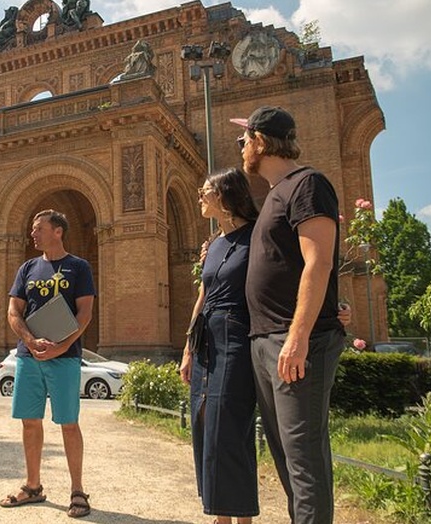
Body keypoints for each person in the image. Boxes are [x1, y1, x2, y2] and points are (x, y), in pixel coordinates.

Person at [233, 106, 345, 524]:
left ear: (261, 141)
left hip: (294, 342)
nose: (241, 146)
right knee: (284, 452)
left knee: (303, 457)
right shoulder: (275, 193)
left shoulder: (307, 184)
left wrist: (298, 336)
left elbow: (319, 263)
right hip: (267, 340)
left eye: (244, 139)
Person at [1, 209, 96, 519]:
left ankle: (78, 491)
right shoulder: (27, 268)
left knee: (68, 423)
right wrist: (29, 340)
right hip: (29, 358)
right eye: (33, 228)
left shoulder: (78, 267)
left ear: (58, 231)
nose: (33, 233)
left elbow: (85, 314)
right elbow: (14, 311)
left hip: (65, 357)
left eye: (39, 228)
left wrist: (63, 346)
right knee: (30, 421)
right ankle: (32, 486)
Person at [179, 168, 260, 524]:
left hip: (236, 335)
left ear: (225, 196)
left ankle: (241, 517)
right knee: (203, 421)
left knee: (228, 423)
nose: (200, 194)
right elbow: (203, 295)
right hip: (207, 337)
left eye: (206, 190)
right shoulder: (213, 245)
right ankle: (220, 514)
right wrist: (187, 350)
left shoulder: (256, 237)